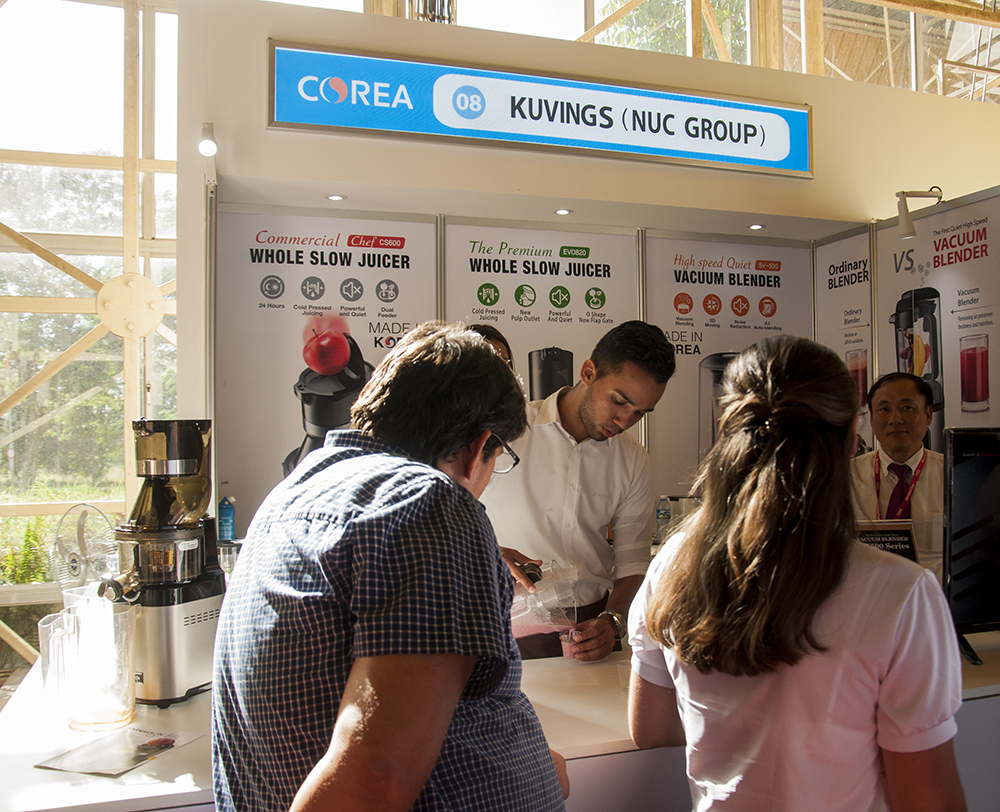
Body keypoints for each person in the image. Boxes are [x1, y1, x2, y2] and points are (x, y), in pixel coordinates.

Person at [212, 322, 568, 812]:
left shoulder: (291, 495)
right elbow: (373, 782)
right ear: (477, 447)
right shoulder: (430, 503)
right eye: (498, 457)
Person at [628, 336, 965, 812]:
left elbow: (651, 728)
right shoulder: (900, 593)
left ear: (725, 429)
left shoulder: (672, 565)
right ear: (851, 438)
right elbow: (929, 802)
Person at [482, 320, 676, 661]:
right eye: (619, 402)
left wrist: (613, 621)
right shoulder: (508, 431)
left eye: (639, 413)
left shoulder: (632, 459)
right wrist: (485, 552)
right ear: (588, 372)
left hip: (591, 636)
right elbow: (442, 519)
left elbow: (632, 564)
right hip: (502, 629)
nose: (624, 421)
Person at [851, 372, 943, 576]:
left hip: (932, 593)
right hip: (868, 592)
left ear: (928, 414)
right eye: (884, 409)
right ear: (871, 419)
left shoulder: (950, 477)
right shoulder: (847, 478)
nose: (895, 419)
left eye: (907, 408)